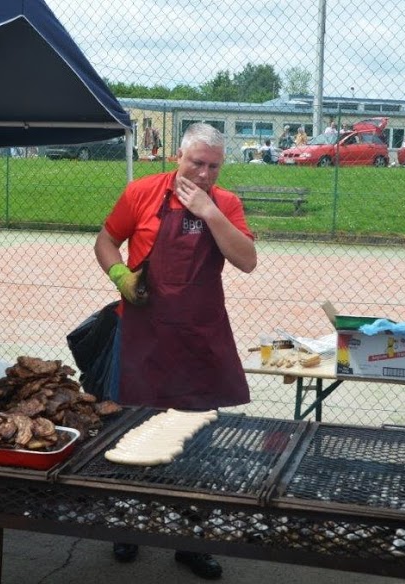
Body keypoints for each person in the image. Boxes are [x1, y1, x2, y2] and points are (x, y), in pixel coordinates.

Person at [94, 122, 257, 580]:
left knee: (196, 444)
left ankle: (191, 539)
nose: (204, 174)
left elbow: (246, 260)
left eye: (213, 167)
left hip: (199, 339)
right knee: (132, 434)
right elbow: (105, 240)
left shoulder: (225, 203)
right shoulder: (142, 193)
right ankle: (128, 527)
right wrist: (121, 277)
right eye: (196, 164)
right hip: (142, 336)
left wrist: (209, 212)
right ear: (177, 158)